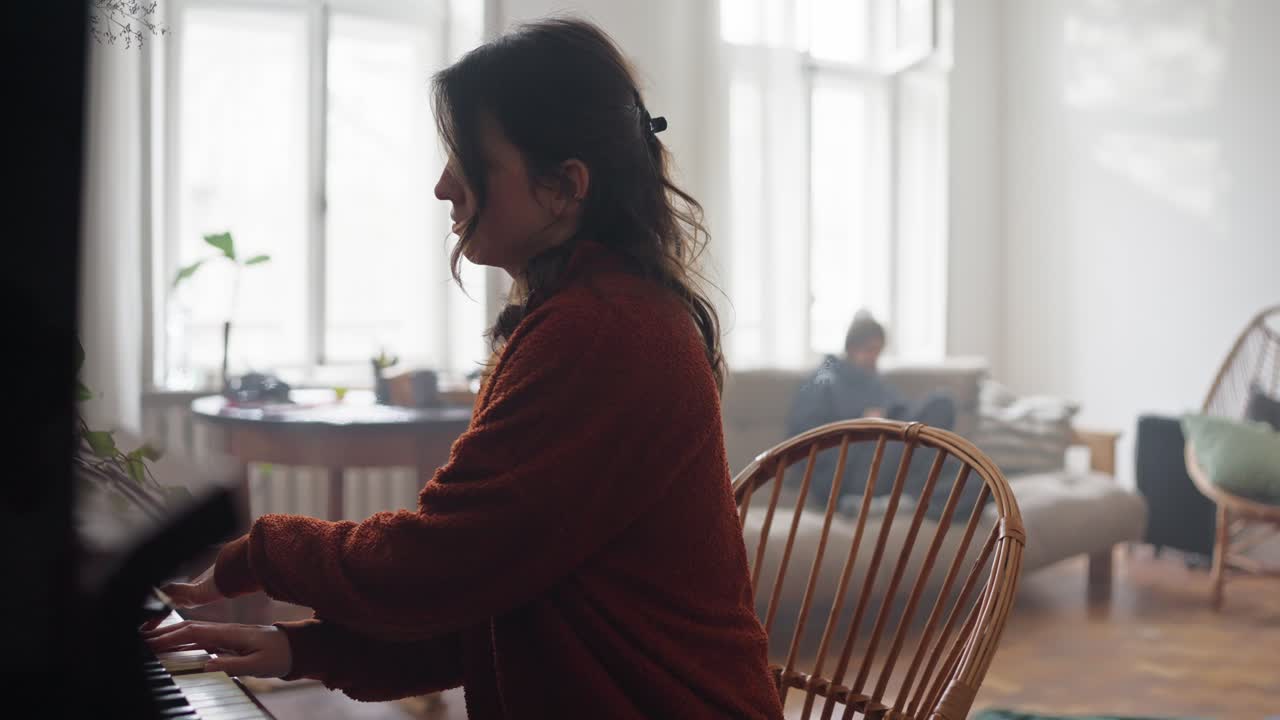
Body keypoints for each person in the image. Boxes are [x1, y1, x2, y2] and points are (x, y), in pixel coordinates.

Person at [144, 18, 783, 720]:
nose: (444, 185)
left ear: (565, 187)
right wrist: (303, 652)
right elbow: (497, 597)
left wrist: (262, 552)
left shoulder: (605, 332)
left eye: (471, 160)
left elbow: (438, 566)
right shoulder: (589, 316)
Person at [785, 310, 962, 517]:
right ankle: (905, 499)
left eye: (878, 352)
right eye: (869, 350)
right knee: (941, 408)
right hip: (850, 471)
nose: (874, 358)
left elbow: (907, 414)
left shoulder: (875, 382)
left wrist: (888, 418)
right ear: (852, 348)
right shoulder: (824, 380)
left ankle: (903, 501)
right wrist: (860, 424)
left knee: (974, 478)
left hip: (892, 457)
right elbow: (804, 437)